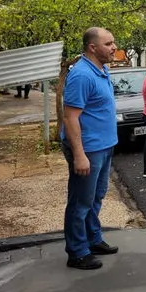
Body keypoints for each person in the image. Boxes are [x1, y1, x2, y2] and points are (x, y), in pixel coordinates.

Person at [60, 27, 120, 270]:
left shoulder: (101, 70)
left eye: (113, 42)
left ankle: (93, 239)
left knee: (95, 197)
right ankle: (77, 252)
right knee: (80, 201)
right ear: (92, 47)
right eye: (108, 43)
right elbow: (70, 118)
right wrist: (79, 155)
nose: (114, 47)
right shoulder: (82, 75)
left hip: (104, 147)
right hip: (88, 150)